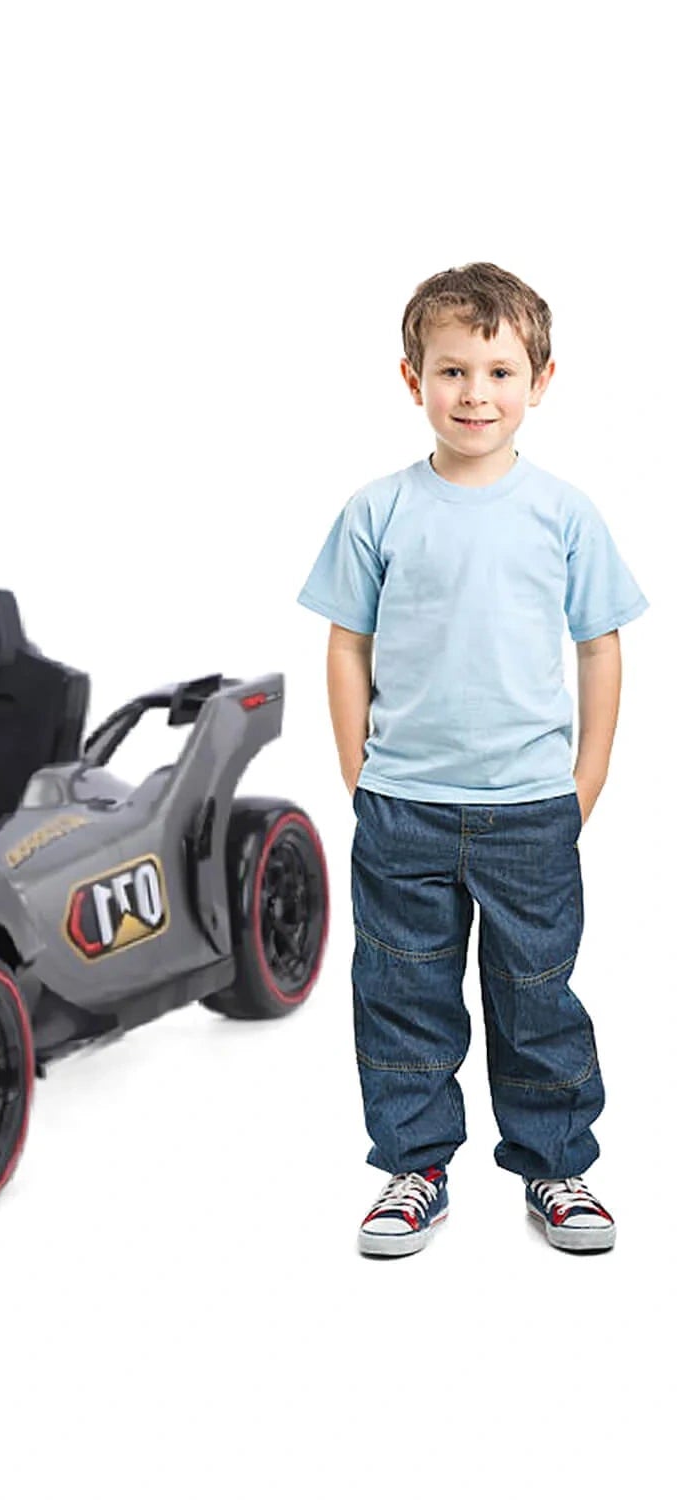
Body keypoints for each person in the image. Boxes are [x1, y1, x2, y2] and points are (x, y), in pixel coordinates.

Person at [297, 263, 647, 1256]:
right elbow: (347, 643)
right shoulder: (378, 510)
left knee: (537, 993)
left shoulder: (565, 513)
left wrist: (592, 776)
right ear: (413, 380)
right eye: (453, 371)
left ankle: (558, 1169)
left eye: (499, 370)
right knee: (403, 991)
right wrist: (357, 767)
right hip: (402, 803)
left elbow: (600, 643)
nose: (476, 394)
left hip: (533, 806)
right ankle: (415, 1170)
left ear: (541, 379)